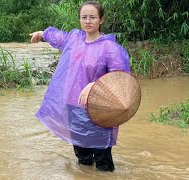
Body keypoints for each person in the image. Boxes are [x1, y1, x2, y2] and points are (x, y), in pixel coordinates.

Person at [30, 0, 131, 172]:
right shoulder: (74, 39)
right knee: (82, 158)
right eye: (84, 17)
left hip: (100, 109)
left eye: (92, 17)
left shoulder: (110, 48)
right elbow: (57, 36)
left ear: (101, 20)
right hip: (74, 106)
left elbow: (120, 79)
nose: (87, 21)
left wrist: (95, 85)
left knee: (102, 161)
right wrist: (42, 33)